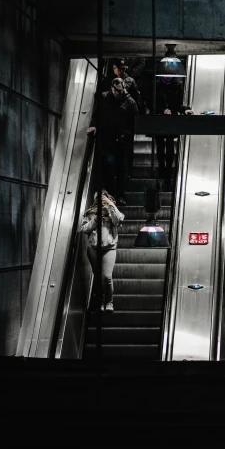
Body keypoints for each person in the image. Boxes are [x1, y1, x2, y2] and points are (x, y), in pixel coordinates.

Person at [86, 77, 138, 206]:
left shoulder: (129, 101)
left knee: (121, 169)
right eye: (117, 91)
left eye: (122, 90)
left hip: (122, 141)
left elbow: (135, 118)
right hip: (107, 139)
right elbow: (97, 114)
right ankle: (111, 195)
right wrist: (94, 126)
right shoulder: (104, 98)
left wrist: (127, 135)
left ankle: (119, 195)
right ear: (112, 88)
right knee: (109, 168)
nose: (119, 93)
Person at [81, 190, 124, 312]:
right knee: (98, 277)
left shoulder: (113, 212)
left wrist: (111, 207)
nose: (101, 201)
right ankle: (100, 302)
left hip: (109, 249)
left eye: (104, 199)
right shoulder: (90, 213)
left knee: (106, 277)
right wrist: (95, 219)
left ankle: (109, 302)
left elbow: (119, 220)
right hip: (93, 249)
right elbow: (84, 229)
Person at [153, 75, 194, 187]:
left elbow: (178, 105)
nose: (168, 76)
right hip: (159, 120)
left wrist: (185, 109)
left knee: (170, 148)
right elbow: (151, 104)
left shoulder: (177, 85)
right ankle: (162, 168)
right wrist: (162, 110)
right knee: (160, 147)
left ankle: (168, 175)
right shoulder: (156, 85)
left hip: (171, 120)